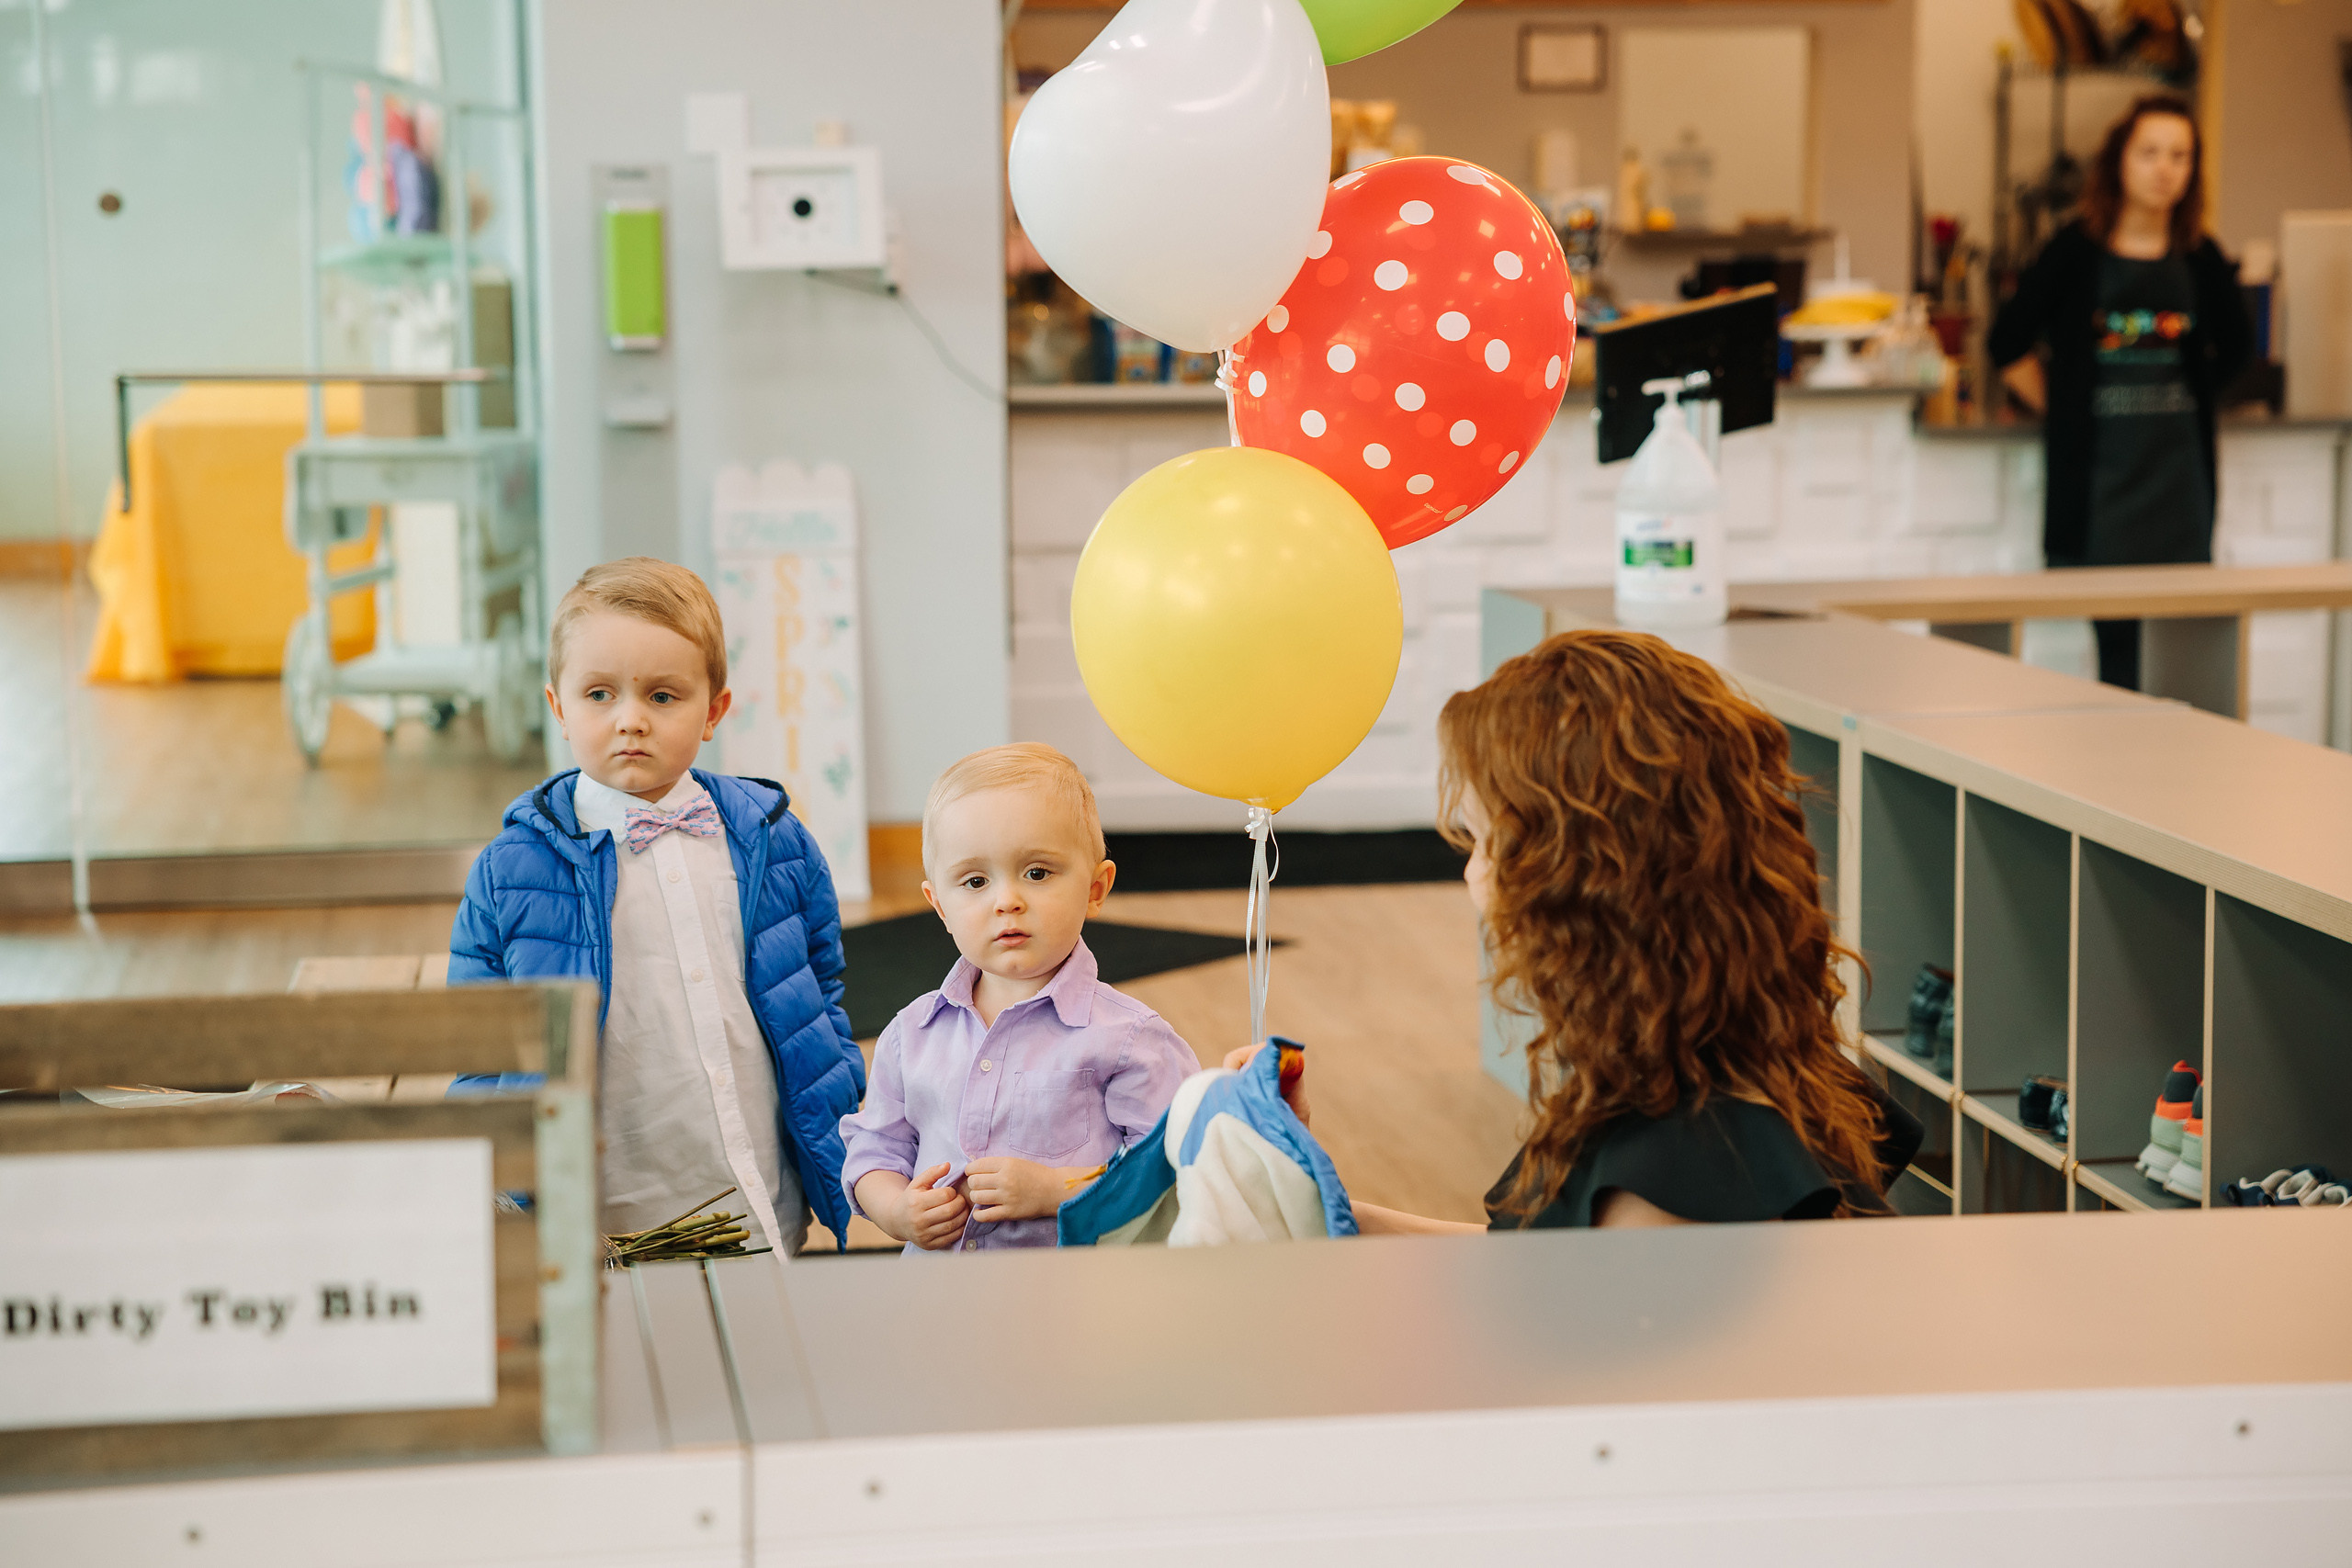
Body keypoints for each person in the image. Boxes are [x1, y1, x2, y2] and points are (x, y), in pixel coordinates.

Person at [1301, 630, 1921, 1233]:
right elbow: (1541, 1279)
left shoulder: (1668, 1182)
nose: (1472, 873)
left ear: (1579, 884)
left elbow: (1541, 1314)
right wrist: (1332, 1214)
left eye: (1488, 843)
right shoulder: (1738, 1052)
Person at [448, 558, 864, 1257]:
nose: (631, 720)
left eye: (663, 696)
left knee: (763, 1350)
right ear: (559, 706)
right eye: (600, 694)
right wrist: (500, 1180)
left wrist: (841, 1109)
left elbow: (818, 984)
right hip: (606, 1206)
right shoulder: (510, 870)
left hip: (753, 1187)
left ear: (715, 710)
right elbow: (479, 1039)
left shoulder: (773, 839)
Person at [839, 744, 1199, 1252]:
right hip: (943, 1298)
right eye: (975, 881)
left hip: (1078, 1303)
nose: (1007, 900)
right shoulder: (911, 1035)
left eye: (1037, 872)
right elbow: (875, 1151)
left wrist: (1057, 1191)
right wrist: (897, 1210)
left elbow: (1174, 1171)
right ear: (939, 905)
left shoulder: (1130, 1040)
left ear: (1096, 889)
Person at [1989, 95, 2253, 691]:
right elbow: (2007, 341)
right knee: (2119, 659)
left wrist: (2190, 395)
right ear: (2119, 163)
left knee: (2180, 650)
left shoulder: (2201, 256)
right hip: (2100, 487)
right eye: (2150, 153)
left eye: (2180, 156)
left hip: (2179, 484)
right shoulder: (2074, 252)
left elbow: (2238, 347)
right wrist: (2062, 407)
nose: (2165, 169)